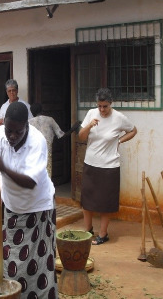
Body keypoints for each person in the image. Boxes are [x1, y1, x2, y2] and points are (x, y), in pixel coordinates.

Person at [0, 101, 57, 298]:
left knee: (38, 267)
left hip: (37, 209)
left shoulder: (37, 142)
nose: (12, 136)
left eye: (18, 132)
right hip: (12, 207)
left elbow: (30, 182)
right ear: (4, 123)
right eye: (9, 130)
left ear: (26, 126)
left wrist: (3, 167)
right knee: (12, 265)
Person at [79, 88, 137, 245]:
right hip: (90, 163)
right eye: (99, 106)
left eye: (105, 106)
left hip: (109, 165)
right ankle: (88, 230)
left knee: (105, 202)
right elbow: (81, 136)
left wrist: (119, 141)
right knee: (87, 200)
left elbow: (133, 130)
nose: (102, 110)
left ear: (111, 104)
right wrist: (89, 126)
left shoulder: (119, 118)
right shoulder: (91, 114)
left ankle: (103, 234)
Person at [29, 102, 81, 177]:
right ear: (42, 110)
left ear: (31, 112)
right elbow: (61, 135)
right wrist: (73, 128)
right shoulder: (50, 120)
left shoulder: (29, 123)